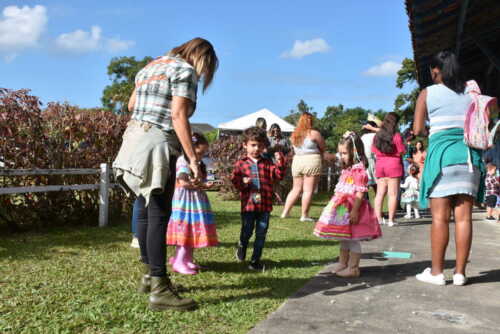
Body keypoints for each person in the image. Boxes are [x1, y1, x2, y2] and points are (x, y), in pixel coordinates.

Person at [113, 38, 218, 310]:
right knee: (159, 213)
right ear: (202, 58)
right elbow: (178, 115)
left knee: (146, 209)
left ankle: (150, 277)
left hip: (134, 139)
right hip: (158, 143)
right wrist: (192, 158)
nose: (203, 75)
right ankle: (160, 288)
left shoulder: (150, 68)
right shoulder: (184, 71)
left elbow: (131, 105)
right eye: (207, 69)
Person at [413, 50, 495, 286]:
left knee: (440, 218)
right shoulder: (470, 94)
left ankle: (437, 273)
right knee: (464, 218)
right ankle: (460, 273)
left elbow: (418, 129)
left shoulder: (427, 93)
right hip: (469, 158)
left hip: (442, 158)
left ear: (436, 71)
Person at [313, 132, 382, 278]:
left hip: (353, 208)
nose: (341, 156)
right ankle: (343, 263)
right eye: (340, 153)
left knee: (353, 238)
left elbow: (360, 192)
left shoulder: (358, 170)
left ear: (354, 151)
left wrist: (355, 211)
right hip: (342, 208)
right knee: (343, 236)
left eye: (344, 153)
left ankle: (353, 268)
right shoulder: (348, 168)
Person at [231, 127, 285, 271]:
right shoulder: (241, 164)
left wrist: (280, 162)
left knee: (261, 234)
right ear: (245, 145)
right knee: (247, 231)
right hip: (249, 206)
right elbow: (235, 181)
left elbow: (278, 176)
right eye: (253, 145)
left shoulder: (267, 163)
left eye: (260, 145)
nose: (256, 148)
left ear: (264, 146)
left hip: (265, 206)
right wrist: (243, 182)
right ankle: (242, 245)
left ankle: (255, 261)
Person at [167, 133, 218, 275]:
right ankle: (179, 261)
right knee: (186, 230)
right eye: (199, 153)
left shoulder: (197, 163)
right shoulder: (183, 162)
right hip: (186, 203)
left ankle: (186, 259)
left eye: (203, 154)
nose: (201, 156)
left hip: (194, 202)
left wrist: (204, 184)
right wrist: (199, 185)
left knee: (192, 231)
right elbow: (183, 182)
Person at [281, 112, 325, 221]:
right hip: (311, 160)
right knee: (308, 190)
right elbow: (323, 147)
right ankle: (304, 215)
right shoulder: (314, 133)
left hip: (297, 161)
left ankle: (285, 213)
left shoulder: (294, 135)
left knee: (295, 189)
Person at [371, 112, 406, 227]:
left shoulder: (377, 136)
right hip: (394, 164)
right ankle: (391, 220)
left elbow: (374, 151)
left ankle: (378, 219)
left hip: (380, 164)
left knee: (380, 194)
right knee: (393, 194)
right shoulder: (396, 135)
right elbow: (402, 151)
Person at [267, 123, 291, 203]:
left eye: (277, 130)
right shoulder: (269, 139)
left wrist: (282, 148)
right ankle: (273, 199)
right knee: (271, 182)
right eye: (274, 130)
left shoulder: (284, 139)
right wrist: (273, 148)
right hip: (271, 163)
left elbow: (289, 150)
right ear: (271, 131)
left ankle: (279, 200)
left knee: (278, 182)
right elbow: (265, 150)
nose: (276, 132)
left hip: (281, 165)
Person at [361, 114, 382, 195]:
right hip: (371, 162)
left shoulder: (364, 136)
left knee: (365, 185)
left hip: (367, 162)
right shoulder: (374, 135)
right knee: (375, 185)